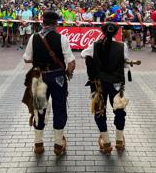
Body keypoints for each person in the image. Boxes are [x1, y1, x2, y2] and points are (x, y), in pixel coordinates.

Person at [23, 11, 75, 156]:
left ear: (42, 22)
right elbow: (71, 62)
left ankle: (38, 144)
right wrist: (68, 74)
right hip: (58, 77)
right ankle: (58, 145)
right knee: (59, 109)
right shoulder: (62, 38)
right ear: (56, 23)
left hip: (40, 77)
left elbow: (27, 59)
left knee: (39, 108)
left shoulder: (33, 37)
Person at [81, 23, 129, 154]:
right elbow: (126, 64)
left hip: (99, 84)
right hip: (116, 83)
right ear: (116, 33)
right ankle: (119, 141)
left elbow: (83, 54)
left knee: (100, 110)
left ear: (102, 31)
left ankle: (106, 142)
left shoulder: (95, 45)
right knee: (119, 109)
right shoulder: (122, 46)